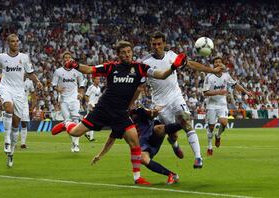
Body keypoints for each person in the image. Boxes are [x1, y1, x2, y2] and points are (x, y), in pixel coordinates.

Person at [51, 40, 187, 185]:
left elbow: (161, 75)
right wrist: (76, 65)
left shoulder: (140, 68)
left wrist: (173, 67)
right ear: (118, 55)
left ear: (132, 53)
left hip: (121, 112)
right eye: (123, 52)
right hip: (103, 109)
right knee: (76, 132)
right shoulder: (111, 67)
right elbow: (89, 69)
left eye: (129, 52)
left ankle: (137, 177)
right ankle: (67, 124)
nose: (127, 55)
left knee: (135, 143)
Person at [139, 31, 223, 168]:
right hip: (160, 104)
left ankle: (198, 158)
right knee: (173, 135)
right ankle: (174, 144)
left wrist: (212, 71)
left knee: (186, 121)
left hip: (176, 97)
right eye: (154, 44)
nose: (156, 46)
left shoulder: (172, 55)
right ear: (150, 44)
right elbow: (139, 85)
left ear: (164, 44)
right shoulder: (145, 63)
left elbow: (192, 65)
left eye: (159, 44)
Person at [0, 34, 42, 167]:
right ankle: (6, 139)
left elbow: (30, 73)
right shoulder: (1, 57)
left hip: (20, 92)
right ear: (8, 43)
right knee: (8, 108)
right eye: (12, 42)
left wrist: (37, 81)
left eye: (17, 41)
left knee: (16, 124)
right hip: (6, 88)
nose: (15, 43)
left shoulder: (24, 57)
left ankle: (11, 151)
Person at [91, 106, 182, 184]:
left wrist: (154, 111)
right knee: (142, 158)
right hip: (143, 145)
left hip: (152, 134)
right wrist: (99, 155)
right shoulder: (120, 122)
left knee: (158, 129)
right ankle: (172, 175)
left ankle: (182, 124)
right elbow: (111, 140)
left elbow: (151, 113)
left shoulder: (137, 111)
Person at [203, 56, 252, 156]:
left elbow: (235, 85)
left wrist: (246, 91)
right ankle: (209, 147)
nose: (217, 64)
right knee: (211, 127)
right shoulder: (209, 77)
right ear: (213, 65)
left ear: (222, 64)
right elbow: (205, 92)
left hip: (222, 104)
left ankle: (218, 135)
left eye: (219, 62)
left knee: (224, 123)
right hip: (211, 105)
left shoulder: (226, 76)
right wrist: (219, 91)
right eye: (215, 62)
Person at [51, 51, 86, 153]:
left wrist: (81, 93)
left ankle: (76, 144)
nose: (67, 59)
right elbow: (53, 84)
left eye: (69, 57)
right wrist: (57, 89)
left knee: (75, 120)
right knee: (68, 122)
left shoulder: (77, 71)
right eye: (65, 57)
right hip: (63, 100)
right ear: (63, 59)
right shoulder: (58, 71)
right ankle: (73, 141)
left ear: (71, 59)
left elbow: (82, 83)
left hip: (75, 99)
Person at [19, 76, 37, 149]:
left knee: (24, 123)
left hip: (24, 104)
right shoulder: (15, 79)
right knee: (14, 122)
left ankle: (23, 143)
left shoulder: (29, 82)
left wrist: (33, 105)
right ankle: (10, 141)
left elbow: (33, 94)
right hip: (15, 102)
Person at [84, 76, 102, 141]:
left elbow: (98, 98)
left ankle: (87, 133)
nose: (98, 80)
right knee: (92, 121)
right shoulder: (91, 87)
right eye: (97, 79)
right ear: (93, 80)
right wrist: (89, 104)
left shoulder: (99, 88)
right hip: (91, 106)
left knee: (89, 120)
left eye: (99, 79)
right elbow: (86, 96)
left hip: (96, 106)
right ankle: (91, 137)